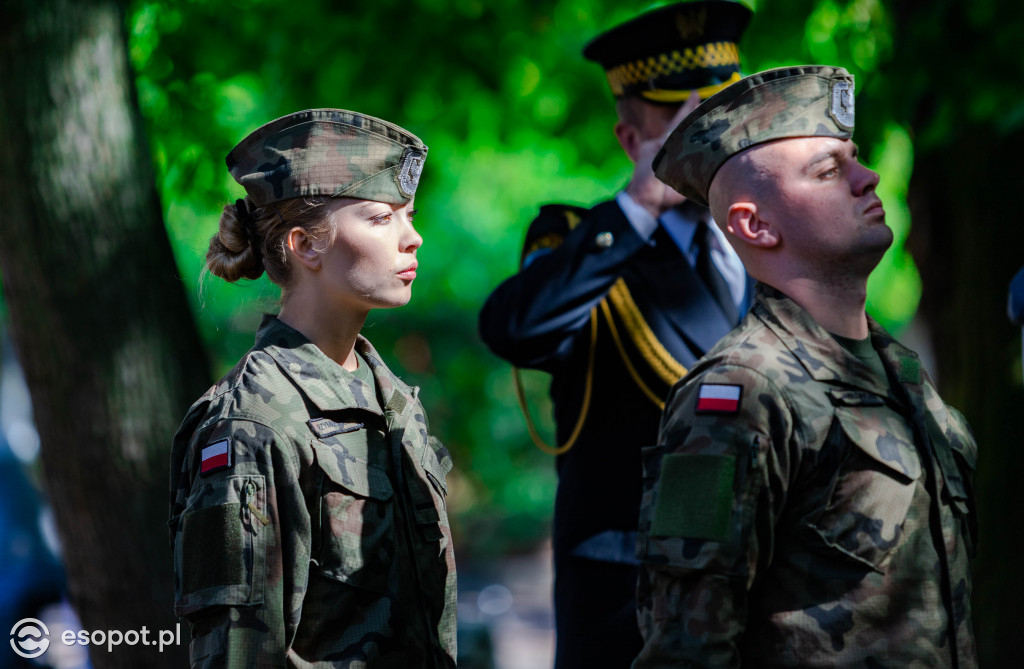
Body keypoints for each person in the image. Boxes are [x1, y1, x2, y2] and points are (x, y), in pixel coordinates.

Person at [633, 65, 978, 667]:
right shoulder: (739, 390)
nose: (867, 178)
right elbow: (685, 647)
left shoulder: (898, 368)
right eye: (827, 170)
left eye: (855, 159)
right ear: (754, 225)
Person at [479, 2, 754, 665]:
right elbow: (516, 328)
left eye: (719, 113)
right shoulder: (584, 244)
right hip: (629, 607)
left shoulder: (769, 244)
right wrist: (637, 208)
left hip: (754, 593)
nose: (705, 134)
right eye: (677, 119)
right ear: (633, 141)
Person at [168, 109, 456, 668]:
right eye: (380, 219)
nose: (412, 237)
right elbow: (238, 654)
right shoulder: (252, 423)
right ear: (306, 245)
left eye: (410, 215)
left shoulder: (391, 400)